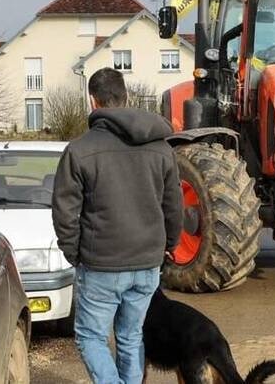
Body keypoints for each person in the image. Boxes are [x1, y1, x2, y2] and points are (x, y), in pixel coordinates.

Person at [52, 68, 183, 384]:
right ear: (125, 97)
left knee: (91, 337)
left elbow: (65, 211)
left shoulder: (79, 150)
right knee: (131, 335)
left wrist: (74, 253)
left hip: (101, 265)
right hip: (147, 264)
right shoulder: (161, 148)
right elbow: (174, 205)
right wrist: (169, 244)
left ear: (92, 101)